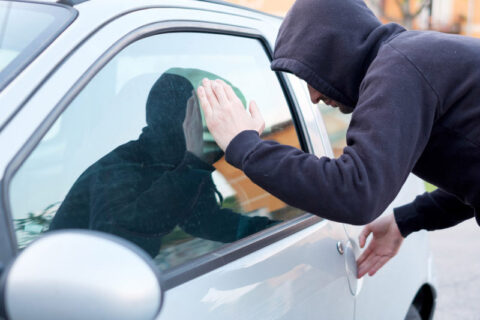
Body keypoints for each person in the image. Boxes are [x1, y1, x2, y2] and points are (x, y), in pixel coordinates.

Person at [195, 0, 480, 277]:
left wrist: (244, 146)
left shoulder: (399, 67)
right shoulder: (415, 57)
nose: (313, 96)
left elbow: (356, 192)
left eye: (311, 73)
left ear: (334, 49)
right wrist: (405, 219)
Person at [49, 69, 277, 257]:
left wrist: (267, 230)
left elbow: (202, 221)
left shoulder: (174, 161)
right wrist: (193, 163)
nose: (221, 139)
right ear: (188, 121)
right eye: (211, 122)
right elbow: (118, 241)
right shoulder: (120, 167)